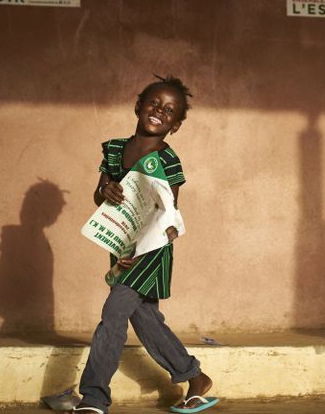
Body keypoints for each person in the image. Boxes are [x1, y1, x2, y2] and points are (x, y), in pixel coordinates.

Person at [73, 76, 219, 414]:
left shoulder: (168, 161)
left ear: (176, 125)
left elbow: (168, 215)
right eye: (154, 103)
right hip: (123, 245)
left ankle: (93, 399)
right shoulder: (112, 149)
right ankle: (194, 377)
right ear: (139, 106)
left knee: (113, 314)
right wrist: (104, 192)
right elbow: (101, 194)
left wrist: (142, 253)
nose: (160, 112)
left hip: (151, 250)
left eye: (170, 111)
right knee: (145, 319)